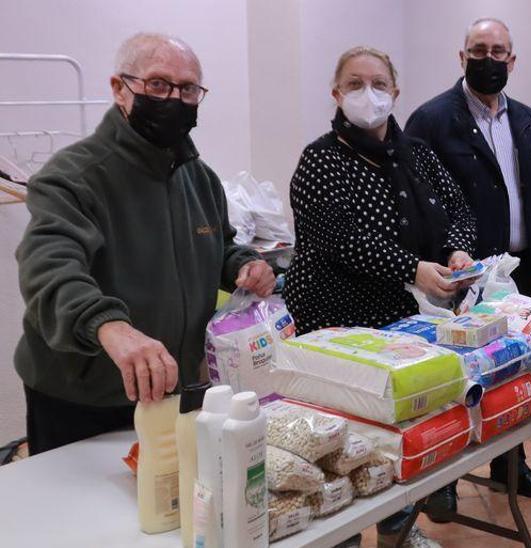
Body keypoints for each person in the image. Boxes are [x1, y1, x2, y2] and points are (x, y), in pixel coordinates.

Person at [14, 33, 275, 455]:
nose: (174, 98)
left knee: (163, 509)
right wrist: (110, 326)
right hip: (85, 398)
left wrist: (243, 263)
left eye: (188, 88)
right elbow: (49, 270)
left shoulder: (199, 178)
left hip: (172, 390)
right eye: (157, 84)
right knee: (85, 518)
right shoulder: (73, 177)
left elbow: (218, 245)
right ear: (120, 89)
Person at [282, 46, 474, 548]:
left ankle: (398, 527)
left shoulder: (418, 153)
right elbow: (338, 238)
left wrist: (457, 250)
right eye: (354, 84)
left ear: (395, 92)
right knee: (339, 441)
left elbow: (457, 208)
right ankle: (339, 537)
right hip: (334, 321)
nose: (368, 94)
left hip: (400, 320)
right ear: (335, 94)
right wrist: (412, 268)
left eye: (378, 84)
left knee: (393, 432)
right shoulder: (321, 160)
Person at [402, 18, 531, 520]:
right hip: (462, 279)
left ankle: (510, 468)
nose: (489, 59)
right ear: (462, 56)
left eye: (499, 52)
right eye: (479, 50)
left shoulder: (528, 118)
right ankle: (442, 481)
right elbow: (416, 202)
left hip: (522, 271)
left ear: (513, 61)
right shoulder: (430, 120)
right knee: (456, 377)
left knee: (517, 369)